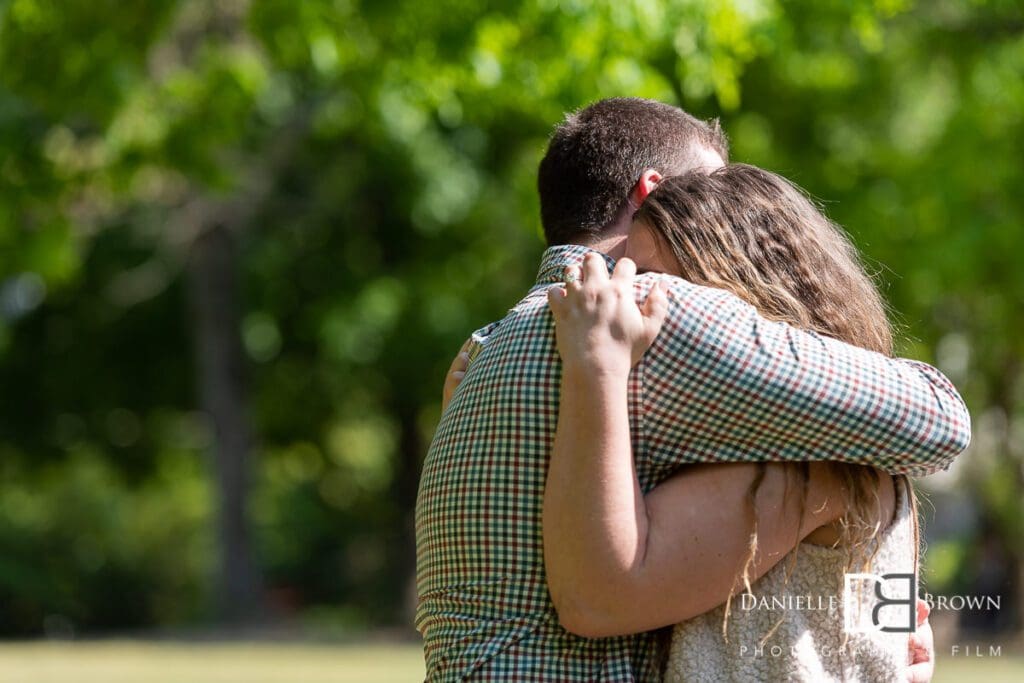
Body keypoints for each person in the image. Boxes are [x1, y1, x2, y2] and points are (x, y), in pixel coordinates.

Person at [416, 98, 969, 681]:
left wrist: (873, 636)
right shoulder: (658, 311)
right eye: (719, 184)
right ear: (654, 193)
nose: (729, 203)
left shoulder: (484, 348)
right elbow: (938, 420)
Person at [545, 164, 933, 681]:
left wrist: (597, 362)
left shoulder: (809, 466)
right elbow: (885, 636)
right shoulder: (847, 451)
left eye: (656, 284)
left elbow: (600, 597)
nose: (628, 301)